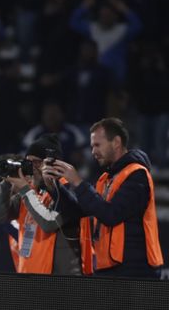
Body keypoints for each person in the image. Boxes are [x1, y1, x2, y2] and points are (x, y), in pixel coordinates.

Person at [46, 118, 163, 278]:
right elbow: (78, 211)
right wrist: (54, 187)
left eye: (97, 145)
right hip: (108, 269)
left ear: (116, 142)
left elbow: (111, 214)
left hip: (135, 272)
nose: (93, 152)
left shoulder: (137, 175)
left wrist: (77, 182)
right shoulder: (105, 179)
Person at [0, 135, 83, 275]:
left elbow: (49, 223)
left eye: (36, 162)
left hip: (57, 279)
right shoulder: (30, 191)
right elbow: (1, 216)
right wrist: (6, 183)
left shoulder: (67, 193)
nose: (31, 168)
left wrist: (25, 189)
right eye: (28, 162)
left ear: (53, 164)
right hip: (28, 275)